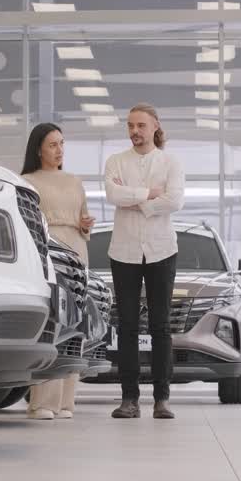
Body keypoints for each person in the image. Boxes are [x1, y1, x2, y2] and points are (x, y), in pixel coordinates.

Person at [103, 104, 185, 420]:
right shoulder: (115, 161)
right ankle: (129, 399)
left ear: (155, 127)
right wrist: (149, 194)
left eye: (140, 125)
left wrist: (138, 202)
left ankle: (162, 398)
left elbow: (174, 200)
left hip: (161, 250)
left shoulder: (171, 162)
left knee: (160, 325)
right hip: (123, 251)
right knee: (126, 325)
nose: (134, 131)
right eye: (130, 125)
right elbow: (113, 195)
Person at [21, 123, 95, 420]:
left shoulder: (75, 181)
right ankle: (42, 402)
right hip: (49, 251)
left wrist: (85, 225)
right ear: (38, 149)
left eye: (62, 143)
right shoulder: (27, 181)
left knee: (75, 326)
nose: (59, 150)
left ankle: (66, 401)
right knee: (51, 325)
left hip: (77, 250)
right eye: (53, 144)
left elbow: (83, 218)